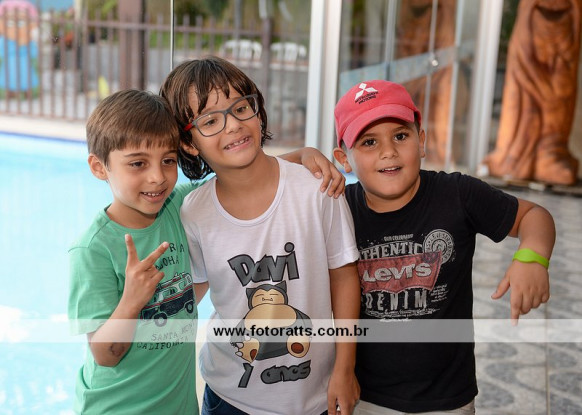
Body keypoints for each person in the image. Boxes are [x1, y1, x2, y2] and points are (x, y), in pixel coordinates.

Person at [67, 89, 348, 415]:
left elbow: (243, 177)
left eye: (168, 161)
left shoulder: (177, 206)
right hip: (115, 407)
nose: (157, 177)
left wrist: (302, 155)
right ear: (99, 167)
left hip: (178, 406)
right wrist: (132, 300)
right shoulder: (93, 249)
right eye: (138, 163)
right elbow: (105, 355)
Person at [332, 79, 555, 414]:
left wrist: (532, 258)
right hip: (363, 393)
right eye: (369, 142)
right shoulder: (338, 210)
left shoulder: (458, 194)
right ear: (344, 159)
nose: (388, 151)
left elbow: (534, 216)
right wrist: (303, 156)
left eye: (400, 136)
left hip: (447, 397)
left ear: (421, 141)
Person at [159, 56, 362, 415]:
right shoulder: (194, 212)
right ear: (188, 143)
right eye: (210, 120)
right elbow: (196, 287)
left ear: (258, 110)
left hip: (314, 395)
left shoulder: (316, 189)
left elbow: (344, 277)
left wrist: (345, 369)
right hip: (229, 397)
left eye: (241, 108)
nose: (234, 125)